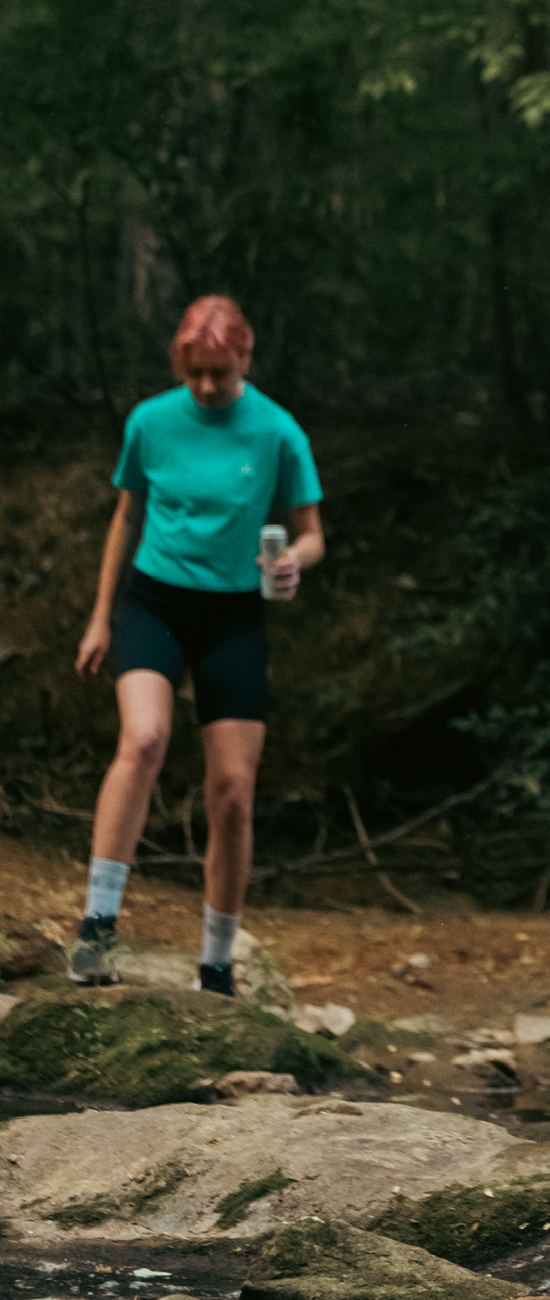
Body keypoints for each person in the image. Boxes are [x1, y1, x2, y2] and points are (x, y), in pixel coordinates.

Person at [71, 295, 325, 994]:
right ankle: (96, 929)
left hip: (234, 615)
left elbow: (311, 530)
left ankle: (216, 963)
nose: (208, 388)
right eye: (195, 374)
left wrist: (294, 560)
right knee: (144, 740)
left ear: (245, 357)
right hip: (154, 602)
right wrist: (101, 617)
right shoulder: (151, 421)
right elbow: (127, 516)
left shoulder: (278, 431)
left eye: (219, 372)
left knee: (234, 793)